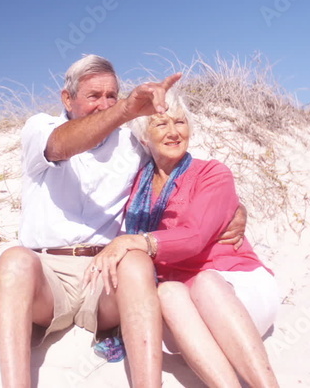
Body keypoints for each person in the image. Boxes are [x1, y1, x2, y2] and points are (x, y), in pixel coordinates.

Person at [0, 55, 247, 388]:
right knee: (13, 260)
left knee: (137, 262)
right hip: (47, 278)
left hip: (103, 276)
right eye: (93, 96)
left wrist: (235, 207)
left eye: (111, 95)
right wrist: (125, 109)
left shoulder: (130, 143)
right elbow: (60, 146)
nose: (104, 104)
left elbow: (177, 172)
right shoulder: (41, 128)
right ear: (67, 99)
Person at [85, 88, 280, 388]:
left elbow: (194, 237)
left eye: (181, 123)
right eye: (161, 124)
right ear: (144, 138)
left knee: (205, 282)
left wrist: (135, 241)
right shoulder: (136, 187)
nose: (174, 132)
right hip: (183, 303)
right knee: (168, 294)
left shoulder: (212, 173)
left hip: (237, 287)